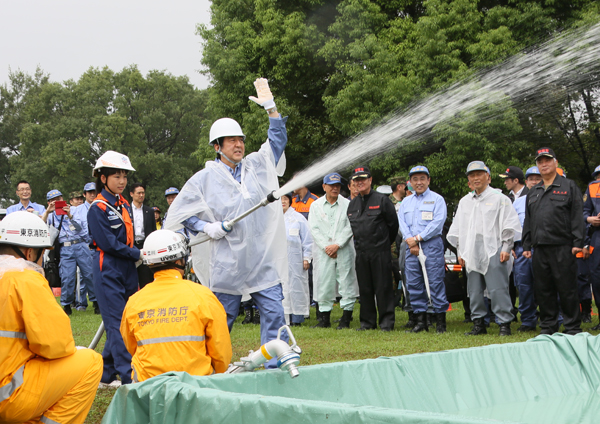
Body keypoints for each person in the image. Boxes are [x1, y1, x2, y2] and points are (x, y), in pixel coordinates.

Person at [164, 78, 289, 368]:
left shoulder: (256, 166)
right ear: (217, 146)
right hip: (228, 262)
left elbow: (277, 143)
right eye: (232, 140)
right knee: (221, 320)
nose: (239, 144)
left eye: (241, 139)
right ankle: (213, 367)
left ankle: (273, 366)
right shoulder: (203, 179)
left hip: (261, 258)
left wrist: (271, 108)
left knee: (274, 313)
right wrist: (207, 227)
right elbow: (182, 213)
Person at [0, 211, 102, 424]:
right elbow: (56, 345)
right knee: (90, 361)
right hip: (8, 396)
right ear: (29, 253)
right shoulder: (25, 279)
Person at [120, 230, 232, 382]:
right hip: (196, 386)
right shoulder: (203, 296)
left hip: (148, 388)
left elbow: (131, 346)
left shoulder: (134, 301)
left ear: (149, 262)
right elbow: (221, 350)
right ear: (180, 260)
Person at [448, 161, 521, 336]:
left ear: (487, 177)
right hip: (471, 251)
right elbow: (458, 229)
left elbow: (509, 225)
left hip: (494, 249)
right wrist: (461, 252)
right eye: (472, 175)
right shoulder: (465, 202)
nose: (475, 178)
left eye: (479, 174)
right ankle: (479, 323)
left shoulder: (500, 199)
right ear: (468, 181)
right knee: (473, 290)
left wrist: (506, 247)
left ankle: (504, 323)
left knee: (498, 288)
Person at [88, 150, 141, 386]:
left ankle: (106, 374)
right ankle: (129, 376)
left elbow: (128, 237)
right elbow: (108, 243)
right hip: (107, 267)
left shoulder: (124, 204)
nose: (122, 181)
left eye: (124, 177)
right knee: (116, 322)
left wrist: (137, 252)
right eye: (116, 176)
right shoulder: (97, 208)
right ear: (103, 178)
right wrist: (137, 254)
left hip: (128, 267)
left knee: (127, 320)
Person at [523, 148, 584, 335]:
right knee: (543, 290)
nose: (544, 164)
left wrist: (577, 243)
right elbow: (528, 220)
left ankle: (572, 326)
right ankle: (548, 326)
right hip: (540, 248)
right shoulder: (533, 192)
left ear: (555, 163)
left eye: (547, 160)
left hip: (563, 246)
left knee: (567, 289)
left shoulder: (569, 186)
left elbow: (577, 216)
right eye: (540, 161)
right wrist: (526, 245)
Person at [347, 166, 399, 331]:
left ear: (370, 180)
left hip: (380, 252)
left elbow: (393, 226)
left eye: (363, 179)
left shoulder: (382, 200)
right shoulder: (353, 204)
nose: (360, 182)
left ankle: (386, 323)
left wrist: (383, 244)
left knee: (383, 287)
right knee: (365, 288)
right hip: (361, 252)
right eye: (357, 180)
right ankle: (367, 323)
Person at [397, 166, 449, 333]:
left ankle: (440, 322)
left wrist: (418, 239)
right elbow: (402, 223)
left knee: (435, 281)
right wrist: (410, 241)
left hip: (430, 245)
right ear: (410, 182)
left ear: (428, 180)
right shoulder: (406, 202)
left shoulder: (437, 200)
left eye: (422, 178)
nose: (418, 182)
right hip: (411, 246)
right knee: (413, 282)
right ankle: (421, 321)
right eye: (415, 179)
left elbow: (437, 223)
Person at [308, 173, 358, 329]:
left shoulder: (348, 204)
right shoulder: (315, 205)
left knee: (346, 281)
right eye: (331, 185)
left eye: (337, 185)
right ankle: (324, 318)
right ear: (324, 187)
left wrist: (337, 245)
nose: (335, 188)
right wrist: (326, 247)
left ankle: (346, 318)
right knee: (324, 281)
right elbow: (314, 228)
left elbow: (350, 227)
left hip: (343, 249)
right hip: (324, 251)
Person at [45, 189, 94, 316]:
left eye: (59, 199)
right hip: (65, 248)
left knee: (89, 274)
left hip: (80, 245)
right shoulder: (50, 216)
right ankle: (66, 304)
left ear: (63, 199)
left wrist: (69, 215)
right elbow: (42, 225)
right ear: (49, 202)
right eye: (53, 200)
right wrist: (47, 211)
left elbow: (80, 228)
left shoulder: (75, 210)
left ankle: (96, 302)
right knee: (67, 277)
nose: (57, 202)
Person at [511, 166, 541, 332]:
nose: (534, 181)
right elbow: (512, 225)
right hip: (522, 247)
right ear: (526, 182)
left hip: (543, 247)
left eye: (538, 178)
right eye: (531, 179)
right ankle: (528, 321)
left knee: (546, 285)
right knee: (524, 286)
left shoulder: (549, 198)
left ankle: (551, 319)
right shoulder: (518, 202)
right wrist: (512, 245)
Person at [281, 193, 313, 326]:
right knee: (282, 288)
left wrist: (307, 257)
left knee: (297, 287)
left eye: (285, 199)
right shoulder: (272, 219)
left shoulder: (298, 219)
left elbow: (307, 240)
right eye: (280, 199)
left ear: (290, 201)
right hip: (279, 261)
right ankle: (284, 318)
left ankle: (297, 318)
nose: (282, 202)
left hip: (296, 261)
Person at [74, 182, 100, 314]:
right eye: (89, 192)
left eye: (94, 192)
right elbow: (75, 228)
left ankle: (96, 301)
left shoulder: (100, 206)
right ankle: (81, 303)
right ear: (84, 194)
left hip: (97, 244)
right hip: (83, 244)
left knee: (93, 275)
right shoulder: (77, 210)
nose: (92, 194)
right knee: (82, 276)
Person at [130, 183, 157, 289]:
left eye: (143, 193)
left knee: (146, 278)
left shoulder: (149, 211)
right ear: (132, 194)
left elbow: (153, 230)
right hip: (131, 246)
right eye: (138, 193)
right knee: (131, 276)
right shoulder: (126, 210)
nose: (141, 195)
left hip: (145, 246)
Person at [583, 164, 600, 330]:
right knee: (597, 280)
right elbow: (583, 212)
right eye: (598, 176)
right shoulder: (592, 188)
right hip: (597, 238)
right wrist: (590, 219)